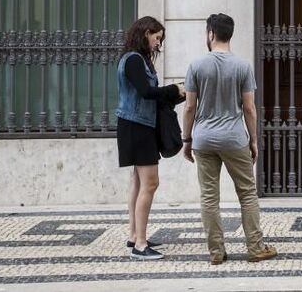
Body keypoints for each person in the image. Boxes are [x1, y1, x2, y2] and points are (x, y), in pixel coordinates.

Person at [182, 13, 278, 265]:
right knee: (247, 194)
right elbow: (249, 108)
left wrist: (187, 139)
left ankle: (216, 252)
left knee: (209, 197)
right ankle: (256, 248)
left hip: (203, 138)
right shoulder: (243, 66)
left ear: (211, 33)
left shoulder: (195, 65)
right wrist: (253, 140)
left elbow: (189, 107)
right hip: (234, 138)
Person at [116, 16, 185, 260]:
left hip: (135, 125)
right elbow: (146, 92)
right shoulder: (134, 60)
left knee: (137, 180)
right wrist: (174, 89)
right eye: (157, 38)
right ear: (146, 33)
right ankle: (141, 245)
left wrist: (175, 94)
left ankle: (134, 235)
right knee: (150, 182)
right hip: (137, 126)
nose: (158, 43)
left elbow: (150, 95)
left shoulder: (136, 59)